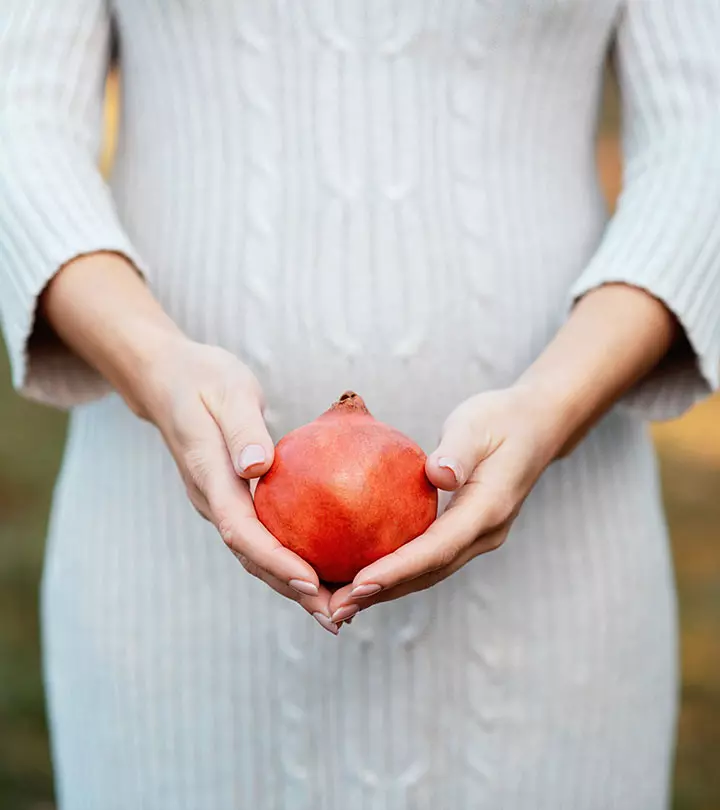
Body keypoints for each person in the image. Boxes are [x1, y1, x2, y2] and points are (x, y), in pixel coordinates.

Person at [1, 1, 718, 808]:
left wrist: (553, 407)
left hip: (557, 584)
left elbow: (705, 134)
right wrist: (154, 364)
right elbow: (16, 114)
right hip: (170, 576)